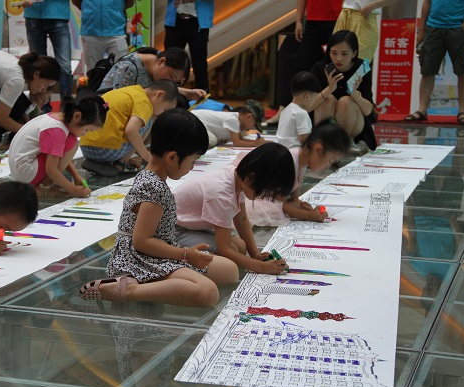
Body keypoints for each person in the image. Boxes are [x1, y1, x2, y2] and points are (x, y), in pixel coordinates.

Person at [78, 109, 239, 306]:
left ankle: (162, 284)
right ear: (172, 158)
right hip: (138, 259)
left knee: (229, 271)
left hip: (157, 252)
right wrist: (185, 255)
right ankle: (129, 289)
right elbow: (141, 242)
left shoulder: (153, 180)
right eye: (192, 161)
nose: (192, 167)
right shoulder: (153, 187)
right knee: (207, 292)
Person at [173, 143, 295, 275]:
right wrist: (262, 267)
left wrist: (255, 254)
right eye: (266, 190)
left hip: (189, 226)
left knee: (240, 246)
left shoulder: (236, 178)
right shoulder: (221, 194)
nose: (265, 196)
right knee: (231, 259)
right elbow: (225, 249)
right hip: (174, 231)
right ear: (250, 178)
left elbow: (241, 219)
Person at [247, 123, 351, 227]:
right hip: (257, 200)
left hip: (275, 200)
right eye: (330, 161)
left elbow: (294, 198)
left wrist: (304, 207)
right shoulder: (290, 162)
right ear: (318, 149)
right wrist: (309, 215)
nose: (327, 166)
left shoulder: (301, 163)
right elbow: (279, 205)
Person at [8, 93, 108, 198]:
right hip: (26, 173)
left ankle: (43, 184)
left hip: (21, 170)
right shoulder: (57, 130)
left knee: (70, 140)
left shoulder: (55, 118)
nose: (84, 134)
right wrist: (74, 190)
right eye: (87, 130)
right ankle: (42, 187)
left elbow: (59, 155)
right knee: (73, 142)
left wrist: (75, 175)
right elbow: (51, 169)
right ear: (77, 116)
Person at [264, 0, 343, 126]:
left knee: (333, 67)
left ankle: (333, 116)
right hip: (313, 21)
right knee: (301, 67)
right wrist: (299, 21)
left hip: (337, 19)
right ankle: (283, 110)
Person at [80, 79, 178, 177]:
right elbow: (131, 130)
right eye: (165, 109)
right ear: (159, 95)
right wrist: (147, 156)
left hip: (86, 147)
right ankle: (121, 163)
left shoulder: (131, 91)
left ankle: (109, 162)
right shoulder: (145, 102)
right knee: (148, 122)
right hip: (105, 150)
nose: (162, 114)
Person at [405, 0, 464, 125]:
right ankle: (422, 109)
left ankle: (462, 111)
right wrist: (421, 30)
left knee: (463, 69)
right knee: (427, 70)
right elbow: (427, 2)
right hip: (433, 27)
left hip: (458, 27)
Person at [309, 30, 378, 150]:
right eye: (334, 53)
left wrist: (355, 95)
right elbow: (308, 106)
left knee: (345, 101)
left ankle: (346, 143)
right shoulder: (320, 68)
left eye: (344, 54)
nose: (338, 58)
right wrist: (329, 89)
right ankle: (323, 141)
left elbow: (368, 111)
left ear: (354, 53)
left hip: (354, 123)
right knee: (327, 99)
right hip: (326, 120)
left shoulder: (361, 68)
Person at [98, 46, 206, 101]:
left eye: (176, 81)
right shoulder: (128, 67)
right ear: (162, 61)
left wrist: (188, 93)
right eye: (171, 76)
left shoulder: (156, 64)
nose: (170, 82)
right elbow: (116, 101)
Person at [22, 0, 74, 104]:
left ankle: (67, 107)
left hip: (58, 14)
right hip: (33, 14)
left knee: (64, 66)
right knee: (36, 66)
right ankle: (40, 107)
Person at [164, 0, 214, 91]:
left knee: (199, 64)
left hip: (198, 22)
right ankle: (169, 92)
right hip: (175, 21)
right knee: (170, 61)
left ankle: (202, 95)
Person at [72, 0, 134, 73]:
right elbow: (75, 1)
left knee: (122, 70)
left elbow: (130, 2)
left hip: (116, 31)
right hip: (91, 31)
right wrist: (90, 11)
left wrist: (113, 10)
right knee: (93, 72)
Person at [333, 0, 399, 63]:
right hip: (345, 14)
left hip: (364, 16)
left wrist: (372, 6)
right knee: (336, 55)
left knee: (361, 58)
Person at [191, 99, 267, 148]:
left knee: (214, 140)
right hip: (194, 121)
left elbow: (241, 139)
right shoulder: (233, 120)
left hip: (198, 121)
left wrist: (258, 142)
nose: (252, 127)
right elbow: (237, 143)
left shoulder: (236, 119)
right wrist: (255, 144)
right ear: (249, 117)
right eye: (254, 124)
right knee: (212, 140)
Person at [276, 71, 321, 149]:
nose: (315, 99)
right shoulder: (301, 113)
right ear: (307, 96)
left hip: (281, 149)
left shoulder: (285, 110)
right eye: (315, 96)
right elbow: (304, 139)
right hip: (293, 151)